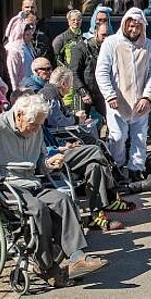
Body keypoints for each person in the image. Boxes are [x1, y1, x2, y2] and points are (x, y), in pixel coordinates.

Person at [0, 94, 108, 285]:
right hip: (5, 185)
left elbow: (38, 160)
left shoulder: (34, 127)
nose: (36, 129)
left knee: (62, 200)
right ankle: (46, 266)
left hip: (30, 182)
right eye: (33, 125)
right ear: (19, 115)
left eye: (39, 125)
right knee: (38, 209)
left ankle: (77, 257)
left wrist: (48, 162)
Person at [39, 68, 128, 232]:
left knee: (95, 165)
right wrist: (74, 120)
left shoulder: (50, 98)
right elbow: (55, 121)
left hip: (60, 147)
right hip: (54, 155)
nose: (70, 89)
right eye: (70, 85)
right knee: (96, 149)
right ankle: (113, 189)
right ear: (64, 83)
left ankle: (97, 216)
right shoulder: (49, 96)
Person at [95, 7, 151, 180]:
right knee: (118, 138)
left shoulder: (149, 45)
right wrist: (110, 94)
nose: (133, 30)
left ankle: (136, 169)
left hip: (140, 102)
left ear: (142, 27)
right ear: (124, 24)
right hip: (118, 102)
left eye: (137, 27)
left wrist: (147, 96)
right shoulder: (111, 43)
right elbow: (101, 71)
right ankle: (117, 168)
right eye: (130, 26)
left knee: (140, 137)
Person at [70, 20, 109, 118]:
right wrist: (83, 92)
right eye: (103, 35)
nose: (106, 38)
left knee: (110, 120)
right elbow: (74, 73)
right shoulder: (80, 48)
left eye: (108, 35)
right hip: (83, 93)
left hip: (101, 93)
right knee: (81, 123)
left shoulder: (109, 49)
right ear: (95, 33)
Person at [6, 20, 37, 94]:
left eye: (31, 34)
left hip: (29, 86)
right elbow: (12, 73)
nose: (31, 37)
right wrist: (15, 92)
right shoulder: (13, 50)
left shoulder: (28, 47)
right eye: (27, 34)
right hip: (20, 88)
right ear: (20, 35)